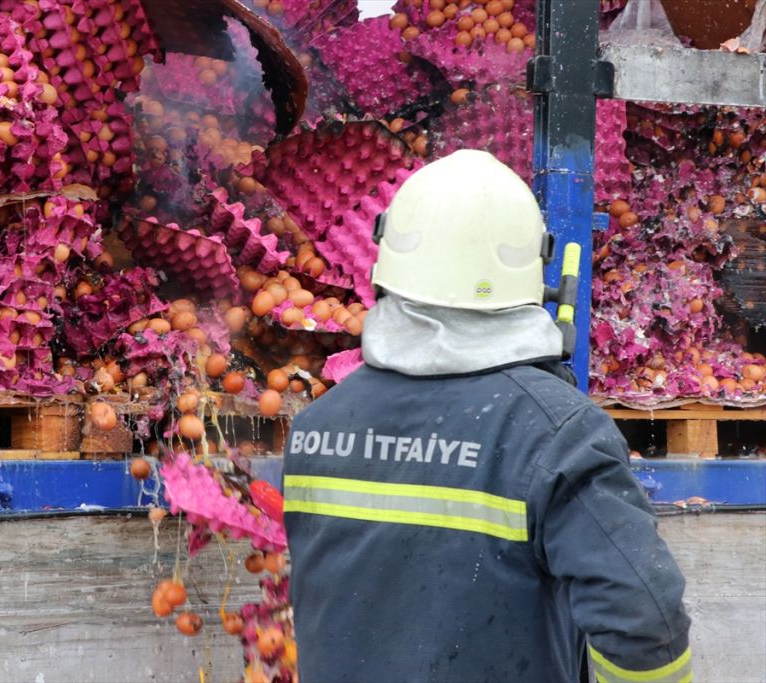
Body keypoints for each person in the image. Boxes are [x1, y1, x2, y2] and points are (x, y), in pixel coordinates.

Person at [282, 149, 691, 683]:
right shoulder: (558, 435)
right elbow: (643, 620)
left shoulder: (317, 429)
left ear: (386, 263)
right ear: (533, 275)